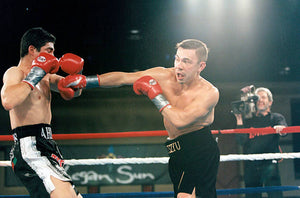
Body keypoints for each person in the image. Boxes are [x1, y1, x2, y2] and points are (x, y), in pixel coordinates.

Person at [58, 39, 220, 198]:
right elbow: (123, 78)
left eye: (187, 61)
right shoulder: (163, 75)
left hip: (199, 149)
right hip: (176, 151)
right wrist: (87, 81)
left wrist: (155, 95)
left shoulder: (208, 93)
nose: (179, 65)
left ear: (201, 66)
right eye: (177, 58)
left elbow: (181, 121)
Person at [1, 27, 84, 198]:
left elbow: (75, 90)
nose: (53, 57)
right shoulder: (15, 73)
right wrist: (35, 74)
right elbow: (8, 101)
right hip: (30, 147)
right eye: (49, 51)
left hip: (48, 145)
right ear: (32, 50)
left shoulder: (46, 77)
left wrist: (78, 72)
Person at [234, 87, 287, 198]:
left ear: (270, 102)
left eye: (263, 97)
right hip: (251, 165)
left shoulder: (276, 118)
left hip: (269, 163)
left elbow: (284, 131)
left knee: (275, 195)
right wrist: (239, 119)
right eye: (258, 98)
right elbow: (241, 141)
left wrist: (280, 129)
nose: (260, 100)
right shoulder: (248, 121)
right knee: (252, 196)